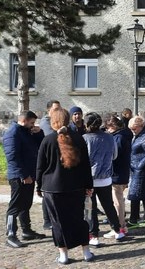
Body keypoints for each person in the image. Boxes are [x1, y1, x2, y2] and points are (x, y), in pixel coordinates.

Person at [36, 108, 95, 264]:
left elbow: (40, 167)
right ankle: (86, 252)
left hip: (52, 188)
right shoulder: (78, 138)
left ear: (53, 121)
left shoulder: (47, 140)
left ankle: (64, 255)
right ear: (68, 120)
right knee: (79, 220)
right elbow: (85, 165)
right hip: (76, 186)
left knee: (58, 222)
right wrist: (89, 185)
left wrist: (38, 186)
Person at [3, 110, 46, 248]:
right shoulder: (13, 133)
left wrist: (39, 133)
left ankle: (27, 231)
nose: (33, 125)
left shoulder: (26, 132)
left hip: (29, 175)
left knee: (26, 204)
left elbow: (39, 146)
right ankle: (11, 235)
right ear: (24, 120)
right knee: (15, 206)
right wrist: (23, 175)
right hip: (18, 177)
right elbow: (12, 157)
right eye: (32, 122)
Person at [82, 113, 124, 245]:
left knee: (90, 208)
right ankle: (118, 230)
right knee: (108, 206)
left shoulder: (85, 138)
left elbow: (83, 160)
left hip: (90, 178)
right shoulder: (110, 137)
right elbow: (115, 156)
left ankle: (93, 235)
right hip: (106, 177)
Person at [106, 115, 132, 236]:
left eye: (108, 128)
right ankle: (121, 225)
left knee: (117, 202)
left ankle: (120, 226)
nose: (107, 130)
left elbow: (114, 157)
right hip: (122, 172)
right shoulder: (124, 135)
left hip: (117, 173)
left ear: (113, 126)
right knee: (119, 200)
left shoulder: (118, 138)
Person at [38, 100, 60, 230]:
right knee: (47, 192)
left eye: (59, 109)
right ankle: (47, 220)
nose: (58, 111)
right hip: (47, 160)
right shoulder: (46, 122)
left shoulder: (56, 122)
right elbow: (53, 136)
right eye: (55, 109)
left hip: (55, 159)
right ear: (49, 110)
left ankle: (54, 217)